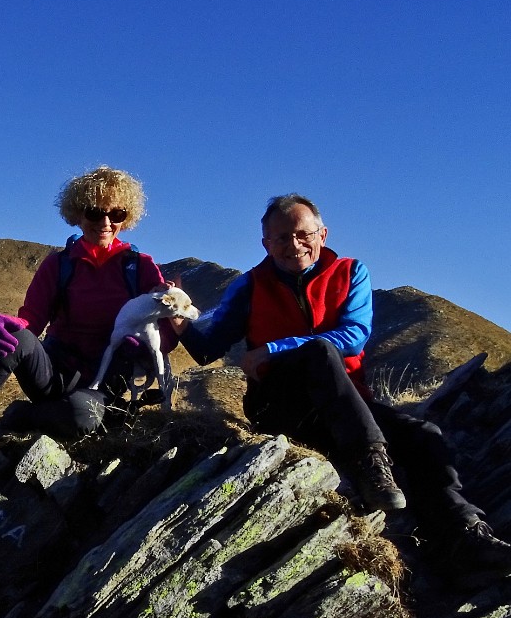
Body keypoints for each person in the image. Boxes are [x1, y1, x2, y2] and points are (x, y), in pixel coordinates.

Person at [172, 193, 511, 574]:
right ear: (266, 244)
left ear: (323, 233)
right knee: (319, 351)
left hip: (345, 404)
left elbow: (354, 335)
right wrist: (175, 314)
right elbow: (207, 349)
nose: (293, 245)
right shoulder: (250, 286)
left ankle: (464, 536)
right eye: (281, 238)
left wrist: (273, 347)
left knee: (423, 435)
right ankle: (370, 463)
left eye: (303, 234)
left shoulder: (351, 273)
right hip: (279, 405)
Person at [0, 165, 175, 450]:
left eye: (117, 214)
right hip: (52, 372)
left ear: (127, 216)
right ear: (77, 214)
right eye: (95, 212)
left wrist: (145, 341)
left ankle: (22, 416)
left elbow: (166, 338)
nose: (106, 222)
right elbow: (31, 322)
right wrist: (2, 325)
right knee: (14, 336)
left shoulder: (141, 267)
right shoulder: (59, 265)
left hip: (102, 383)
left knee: (81, 416)